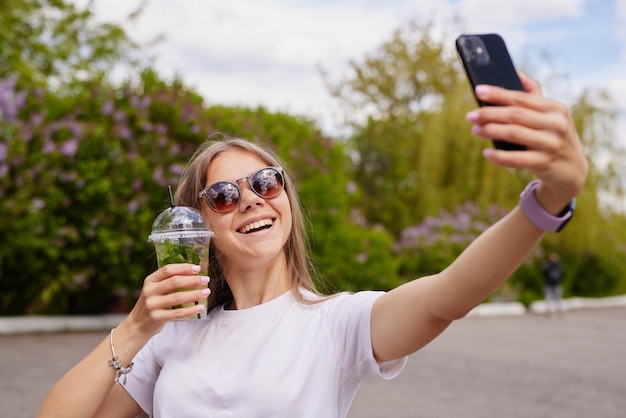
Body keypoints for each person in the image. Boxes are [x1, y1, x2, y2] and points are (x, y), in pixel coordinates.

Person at [38, 73, 588, 418]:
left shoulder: (337, 325)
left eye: (266, 182)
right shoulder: (171, 339)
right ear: (200, 226)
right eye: (224, 195)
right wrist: (137, 327)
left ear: (286, 199)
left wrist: (548, 200)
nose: (252, 199)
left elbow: (449, 296)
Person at [542, 252, 565, 317]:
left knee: (558, 298)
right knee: (548, 298)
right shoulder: (548, 265)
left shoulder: (559, 266)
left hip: (556, 284)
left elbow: (562, 274)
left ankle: (559, 311)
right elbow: (544, 273)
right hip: (548, 284)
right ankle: (548, 311)